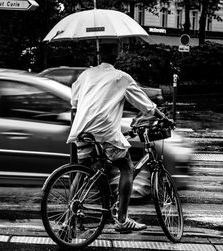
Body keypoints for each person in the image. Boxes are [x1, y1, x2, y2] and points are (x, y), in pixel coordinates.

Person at [67, 44, 169, 233]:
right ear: (117, 58)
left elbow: (74, 102)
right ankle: (122, 219)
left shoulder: (85, 75)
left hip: (81, 130)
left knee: (82, 172)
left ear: (98, 58)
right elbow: (146, 106)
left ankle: (68, 219)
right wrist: (164, 118)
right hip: (105, 131)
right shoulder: (121, 77)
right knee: (127, 167)